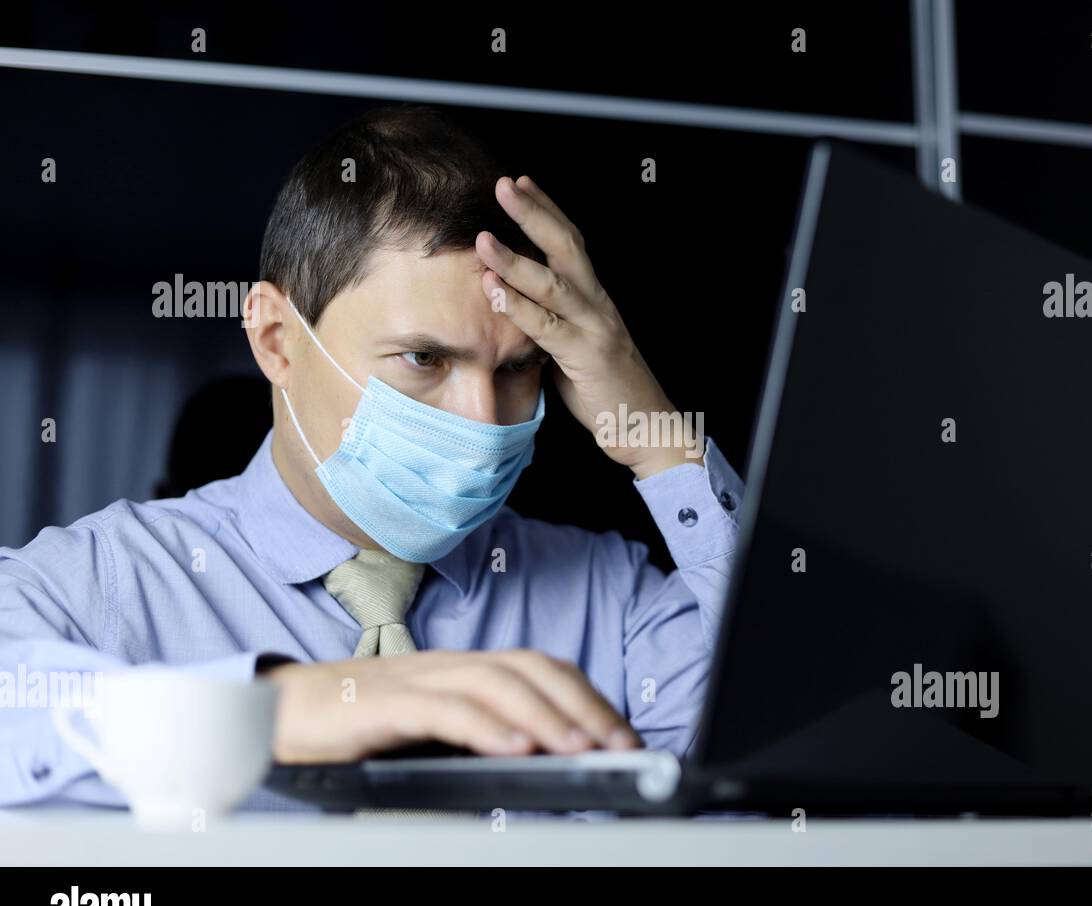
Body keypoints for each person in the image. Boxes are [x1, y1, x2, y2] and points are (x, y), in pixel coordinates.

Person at [0, 104, 743, 809]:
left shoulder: (609, 603)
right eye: (424, 357)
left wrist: (650, 430)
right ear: (276, 341)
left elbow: (822, 730)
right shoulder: (105, 582)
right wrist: (274, 710)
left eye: (519, 369)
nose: (482, 423)